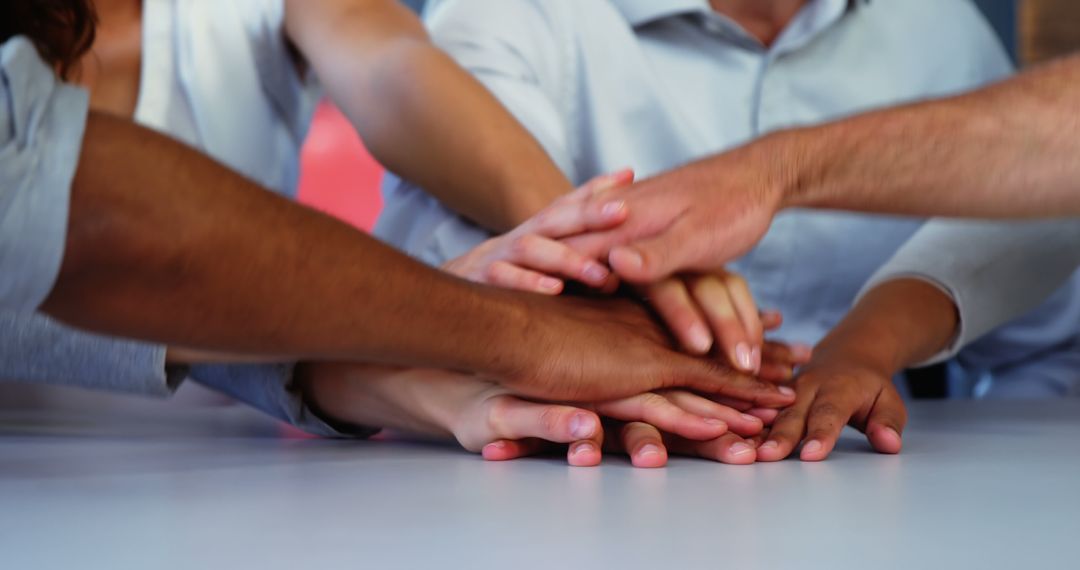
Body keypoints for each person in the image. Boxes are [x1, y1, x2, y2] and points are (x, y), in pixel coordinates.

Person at [0, 0, 794, 464]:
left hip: (245, 446)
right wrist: (502, 334)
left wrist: (601, 249)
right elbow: (91, 233)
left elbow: (392, 66)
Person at [376, 0, 1080, 426]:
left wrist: (877, 361)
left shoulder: (939, 29)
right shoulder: (515, 20)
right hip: (575, 489)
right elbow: (437, 288)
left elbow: (1041, 326)